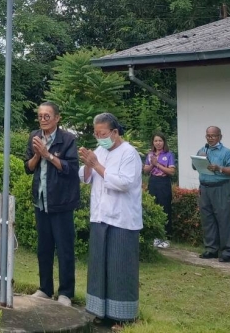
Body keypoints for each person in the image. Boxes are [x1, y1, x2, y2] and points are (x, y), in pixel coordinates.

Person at [79, 113, 143, 330]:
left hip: (122, 220)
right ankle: (99, 310)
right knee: (99, 266)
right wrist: (88, 163)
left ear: (115, 132)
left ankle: (122, 317)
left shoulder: (129, 153)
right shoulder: (100, 150)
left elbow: (124, 183)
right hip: (100, 216)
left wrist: (95, 164)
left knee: (119, 266)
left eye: (103, 134)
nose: (99, 138)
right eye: (96, 134)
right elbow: (85, 177)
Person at [24, 101, 80, 306]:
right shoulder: (34, 136)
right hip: (41, 201)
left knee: (64, 248)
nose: (43, 119)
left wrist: (48, 155)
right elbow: (28, 168)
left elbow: (71, 169)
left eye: (47, 116)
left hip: (62, 202)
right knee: (44, 248)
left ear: (57, 118)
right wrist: (38, 155)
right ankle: (45, 288)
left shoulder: (67, 140)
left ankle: (66, 292)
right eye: (40, 116)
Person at [194, 126, 230, 262]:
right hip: (205, 188)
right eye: (208, 135)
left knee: (224, 219)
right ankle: (211, 249)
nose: (210, 138)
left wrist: (219, 168)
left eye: (213, 136)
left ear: (220, 136)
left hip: (220, 188)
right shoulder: (203, 150)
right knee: (207, 219)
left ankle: (227, 252)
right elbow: (195, 166)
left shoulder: (227, 152)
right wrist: (198, 160)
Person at [143, 132, 175, 249]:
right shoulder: (150, 154)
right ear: (153, 142)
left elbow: (171, 171)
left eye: (160, 141)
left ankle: (165, 237)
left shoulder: (169, 154)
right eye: (156, 141)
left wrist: (158, 164)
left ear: (164, 142)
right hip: (153, 182)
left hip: (164, 182)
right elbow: (146, 170)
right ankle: (155, 237)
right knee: (153, 207)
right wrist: (152, 164)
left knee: (165, 208)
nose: (158, 143)